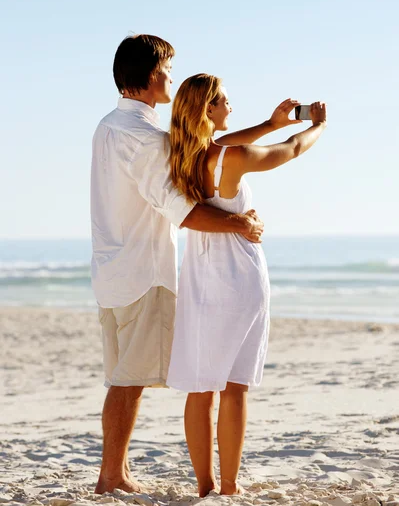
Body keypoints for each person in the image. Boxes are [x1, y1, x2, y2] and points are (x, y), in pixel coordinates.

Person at [90, 35, 265, 494]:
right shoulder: (146, 140)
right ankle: (111, 476)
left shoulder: (109, 126)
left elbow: (210, 144)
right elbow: (183, 211)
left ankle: (115, 471)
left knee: (123, 377)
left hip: (111, 269)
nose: (171, 75)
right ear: (151, 76)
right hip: (143, 272)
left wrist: (267, 125)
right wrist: (240, 225)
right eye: (168, 69)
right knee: (131, 380)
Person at [166, 73, 327, 496]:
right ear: (209, 110)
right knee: (235, 387)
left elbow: (236, 137)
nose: (230, 108)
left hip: (200, 280)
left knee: (201, 389)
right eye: (224, 103)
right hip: (239, 279)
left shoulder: (181, 154)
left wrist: (274, 121)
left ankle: (206, 486)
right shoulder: (231, 158)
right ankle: (230, 487)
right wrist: (316, 128)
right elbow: (289, 152)